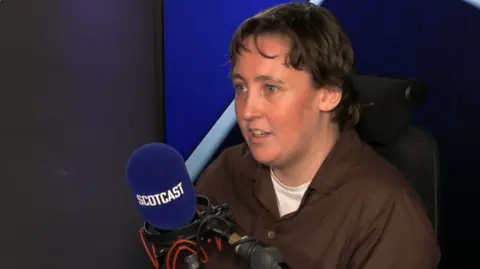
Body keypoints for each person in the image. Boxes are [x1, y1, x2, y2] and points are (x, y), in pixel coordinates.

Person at [194, 2, 440, 269]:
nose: (248, 110)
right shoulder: (225, 173)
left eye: (271, 88)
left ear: (328, 94)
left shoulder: (386, 213)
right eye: (241, 87)